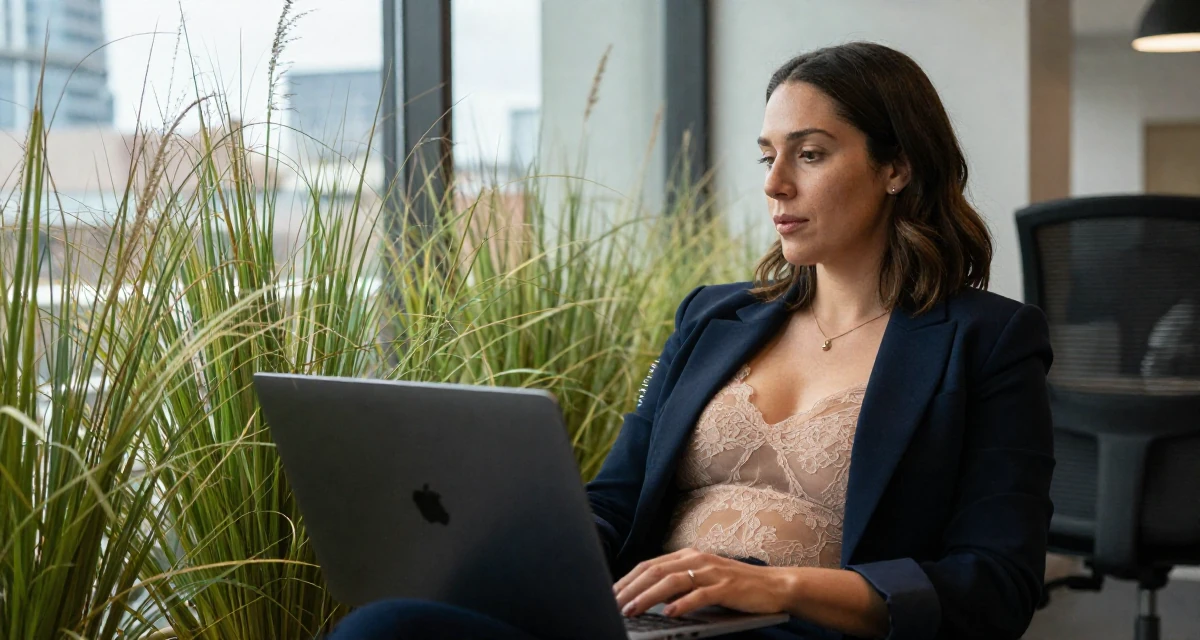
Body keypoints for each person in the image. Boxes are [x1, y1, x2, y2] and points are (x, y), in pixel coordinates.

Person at [329, 41, 1055, 640]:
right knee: (383, 627)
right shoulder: (712, 319)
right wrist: (509, 547)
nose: (774, 184)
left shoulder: (986, 342)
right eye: (767, 154)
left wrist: (776, 587)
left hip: (797, 632)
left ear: (896, 167)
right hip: (646, 622)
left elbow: (996, 582)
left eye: (810, 154)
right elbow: (613, 502)